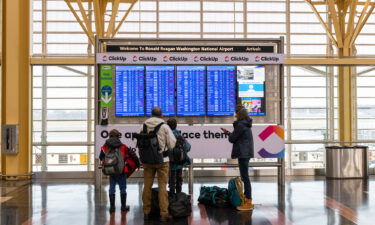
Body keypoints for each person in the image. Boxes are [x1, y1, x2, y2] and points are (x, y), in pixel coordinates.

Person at [141, 107, 176, 222]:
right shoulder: (164, 126)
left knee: (147, 185)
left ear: (151, 114)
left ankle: (146, 212)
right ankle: (164, 213)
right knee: (162, 186)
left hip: (147, 161)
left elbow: (138, 142)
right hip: (162, 161)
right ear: (161, 115)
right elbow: (172, 144)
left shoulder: (143, 126)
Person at [221, 105, 254, 211]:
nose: (234, 115)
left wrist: (229, 134)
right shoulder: (245, 124)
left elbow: (232, 139)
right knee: (245, 176)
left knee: (245, 177)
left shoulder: (240, 125)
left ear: (239, 114)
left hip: (243, 152)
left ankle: (248, 200)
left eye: (235, 113)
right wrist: (230, 133)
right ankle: (247, 198)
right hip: (246, 152)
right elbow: (236, 136)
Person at [99, 129, 130, 214]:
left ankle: (112, 207)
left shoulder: (105, 146)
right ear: (118, 136)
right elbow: (127, 157)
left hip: (111, 170)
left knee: (111, 188)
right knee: (122, 188)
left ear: (109, 136)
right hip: (121, 171)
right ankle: (123, 207)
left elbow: (101, 157)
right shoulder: (123, 146)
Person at [166, 118, 191, 194]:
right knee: (179, 178)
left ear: (167, 125)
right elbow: (188, 147)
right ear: (176, 125)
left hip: (171, 161)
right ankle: (179, 196)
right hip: (180, 162)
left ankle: (172, 196)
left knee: (172, 178)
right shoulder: (179, 135)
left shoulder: (167, 135)